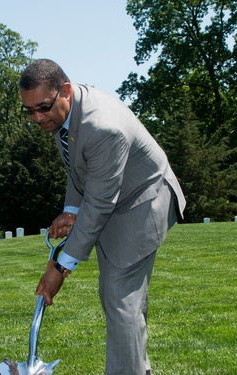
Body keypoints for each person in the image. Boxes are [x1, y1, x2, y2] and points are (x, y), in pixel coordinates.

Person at [19, 59, 185, 375]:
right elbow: (79, 169)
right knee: (119, 296)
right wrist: (70, 211)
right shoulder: (64, 114)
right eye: (30, 111)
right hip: (118, 200)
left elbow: (97, 207)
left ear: (65, 90)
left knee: (119, 295)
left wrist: (59, 268)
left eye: (43, 107)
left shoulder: (102, 127)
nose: (38, 118)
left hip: (144, 201)